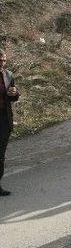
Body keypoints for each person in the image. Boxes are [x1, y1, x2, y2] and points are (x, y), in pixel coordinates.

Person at [0, 49, 19, 197]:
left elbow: (12, 97)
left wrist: (14, 93)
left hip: (4, 119)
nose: (2, 63)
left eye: (4, 60)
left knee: (1, 154)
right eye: (0, 60)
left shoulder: (8, 75)